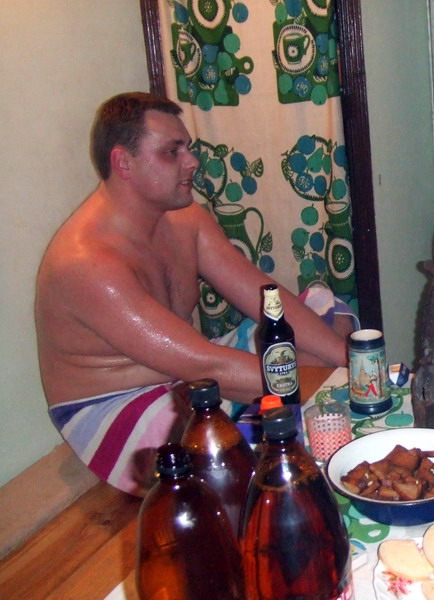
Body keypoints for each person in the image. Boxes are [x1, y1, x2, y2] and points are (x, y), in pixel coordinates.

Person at [35, 92, 349, 495]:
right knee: (219, 451)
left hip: (190, 367)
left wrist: (348, 362)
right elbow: (208, 366)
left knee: (322, 308)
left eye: (188, 148)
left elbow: (266, 299)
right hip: (118, 404)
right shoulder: (87, 263)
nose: (192, 161)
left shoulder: (186, 218)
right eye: (172, 152)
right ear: (123, 163)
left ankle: (291, 426)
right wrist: (331, 386)